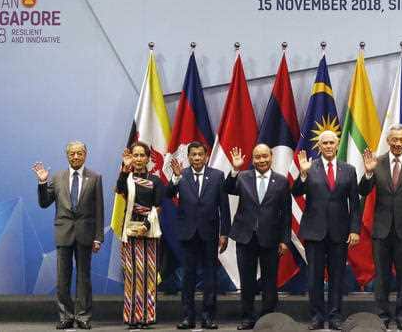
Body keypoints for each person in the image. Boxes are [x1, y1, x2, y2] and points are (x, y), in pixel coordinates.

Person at [359, 124, 402, 331]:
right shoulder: (376, 162)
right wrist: (368, 174)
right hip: (381, 230)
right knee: (382, 275)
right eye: (394, 140)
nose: (398, 143)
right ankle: (382, 316)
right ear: (388, 141)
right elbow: (363, 190)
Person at [293, 130, 362, 330]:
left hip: (339, 233)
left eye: (332, 142)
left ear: (337, 144)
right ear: (319, 146)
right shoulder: (309, 167)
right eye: (325, 143)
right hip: (314, 232)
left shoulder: (348, 170)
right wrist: (303, 173)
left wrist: (355, 229)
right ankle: (316, 317)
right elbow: (296, 192)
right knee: (314, 277)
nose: (329, 146)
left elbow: (355, 204)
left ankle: (334, 317)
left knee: (337, 276)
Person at [32, 141, 104, 330]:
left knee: (84, 278)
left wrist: (98, 237)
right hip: (63, 233)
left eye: (79, 153)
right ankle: (65, 316)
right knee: (62, 278)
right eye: (72, 154)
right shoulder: (57, 178)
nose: (75, 157)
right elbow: (44, 203)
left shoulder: (95, 178)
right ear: (67, 156)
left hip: (86, 234)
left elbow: (99, 210)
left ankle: (83, 317)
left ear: (85, 155)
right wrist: (42, 182)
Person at [224, 144, 291, 330]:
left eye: (264, 156)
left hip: (270, 238)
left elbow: (286, 214)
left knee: (270, 281)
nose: (261, 160)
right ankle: (247, 317)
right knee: (247, 280)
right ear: (252, 160)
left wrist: (285, 240)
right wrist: (235, 169)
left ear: (271, 157)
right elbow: (227, 188)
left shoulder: (282, 181)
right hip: (245, 237)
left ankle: (268, 318)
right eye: (257, 157)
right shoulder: (243, 177)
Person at [169, 141, 231, 330]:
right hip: (188, 234)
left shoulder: (218, 176)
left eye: (200, 154)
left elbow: (224, 208)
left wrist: (224, 233)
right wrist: (176, 178)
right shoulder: (182, 175)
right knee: (188, 277)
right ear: (188, 157)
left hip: (210, 234)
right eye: (193, 155)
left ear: (206, 156)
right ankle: (188, 317)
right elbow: (168, 194)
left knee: (210, 276)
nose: (196, 158)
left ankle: (208, 317)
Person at [115, 142, 165, 329]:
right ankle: (131, 317)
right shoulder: (126, 178)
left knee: (148, 274)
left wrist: (146, 225)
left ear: (148, 158)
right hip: (129, 230)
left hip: (148, 229)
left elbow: (158, 206)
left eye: (141, 155)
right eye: (135, 155)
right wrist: (124, 168)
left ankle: (146, 316)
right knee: (131, 274)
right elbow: (120, 191)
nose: (138, 159)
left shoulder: (156, 180)